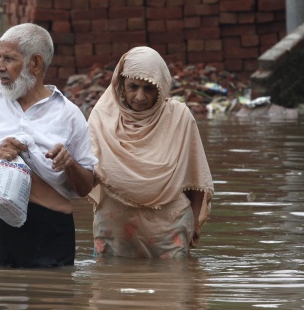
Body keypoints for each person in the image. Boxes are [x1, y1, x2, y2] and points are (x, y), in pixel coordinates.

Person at [0, 23, 97, 268]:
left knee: (53, 300)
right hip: (1, 228)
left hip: (53, 229)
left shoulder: (69, 114)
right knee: (2, 298)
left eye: (9, 59)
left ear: (36, 64)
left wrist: (69, 163)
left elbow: (86, 188)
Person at [87, 46, 214, 259]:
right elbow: (86, 175)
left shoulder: (179, 117)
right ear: (121, 85)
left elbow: (196, 178)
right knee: (109, 288)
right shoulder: (102, 118)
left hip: (169, 232)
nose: (139, 96)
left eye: (149, 88)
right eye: (133, 86)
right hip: (114, 232)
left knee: (172, 290)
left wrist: (191, 227)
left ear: (162, 88)